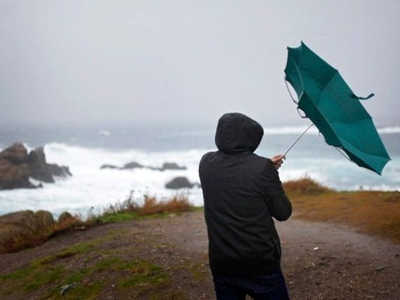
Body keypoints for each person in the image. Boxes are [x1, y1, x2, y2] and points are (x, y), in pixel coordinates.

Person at [199, 112, 292, 300]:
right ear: (252, 138)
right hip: (259, 262)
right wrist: (269, 173)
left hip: (222, 260)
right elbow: (283, 212)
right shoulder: (261, 169)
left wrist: (265, 168)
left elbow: (235, 173)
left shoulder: (206, 163)